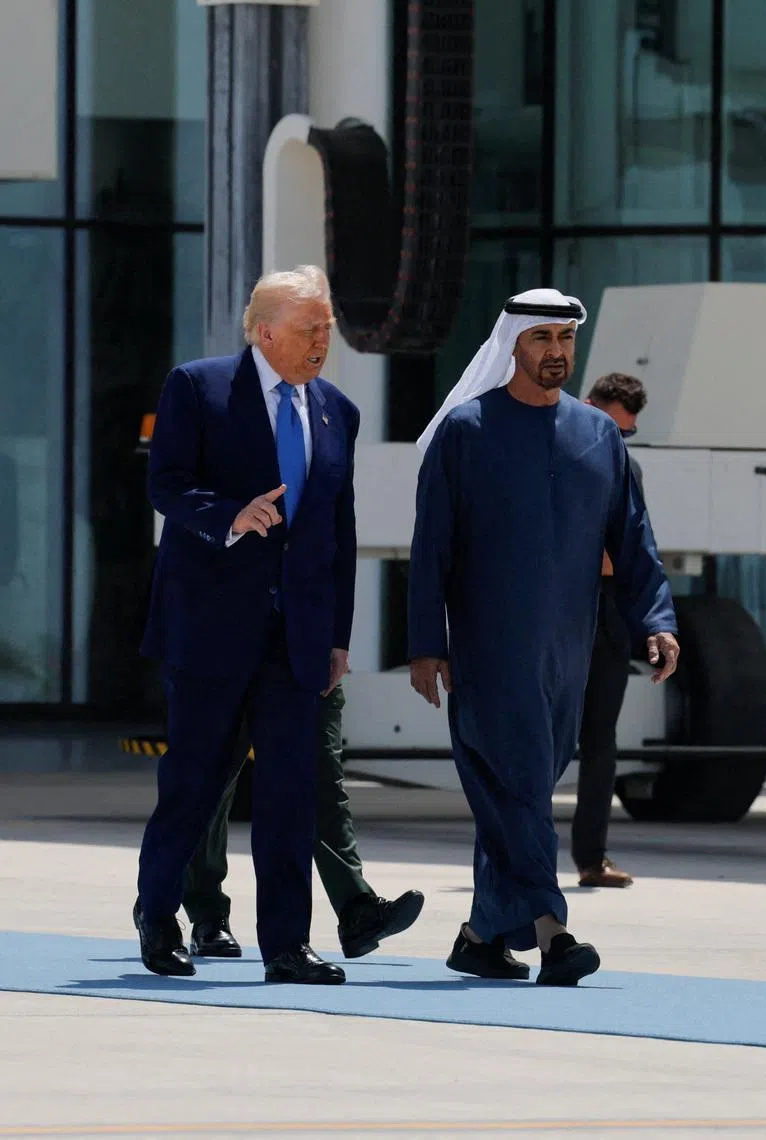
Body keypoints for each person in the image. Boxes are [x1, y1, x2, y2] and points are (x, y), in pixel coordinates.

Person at [407, 288, 679, 987]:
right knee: (521, 785)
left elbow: (635, 540)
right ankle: (555, 935)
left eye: (565, 339)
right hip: (489, 648)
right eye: (542, 339)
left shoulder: (597, 436)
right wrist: (425, 642)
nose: (556, 352)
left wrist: (657, 620)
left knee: (521, 786)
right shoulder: (464, 432)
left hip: (571, 651)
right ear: (513, 346)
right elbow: (430, 546)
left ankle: (479, 937)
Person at [135, 265, 360, 985]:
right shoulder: (198, 388)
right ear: (264, 332)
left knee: (290, 796)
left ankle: (287, 946)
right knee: (193, 786)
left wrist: (338, 637)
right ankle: (159, 915)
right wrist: (229, 517)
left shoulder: (336, 410)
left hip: (297, 639)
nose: (322, 340)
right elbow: (165, 483)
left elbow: (338, 533)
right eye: (308, 329)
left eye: (327, 328)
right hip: (209, 629)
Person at [180, 679, 424, 961]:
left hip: (308, 661)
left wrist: (337, 645)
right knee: (213, 788)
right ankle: (205, 912)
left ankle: (357, 910)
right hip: (237, 658)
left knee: (323, 786)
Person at [574, 373, 649, 889]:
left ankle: (591, 858)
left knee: (601, 741)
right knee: (539, 739)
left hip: (608, 610)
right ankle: (514, 854)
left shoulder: (626, 467)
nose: (616, 441)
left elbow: (635, 548)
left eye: (625, 433)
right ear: (587, 408)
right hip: (555, 606)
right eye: (611, 428)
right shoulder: (553, 455)